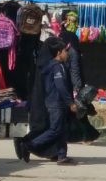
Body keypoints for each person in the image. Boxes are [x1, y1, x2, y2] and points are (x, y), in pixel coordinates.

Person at [15, 37, 76, 165]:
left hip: (53, 102)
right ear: (59, 53)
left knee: (61, 130)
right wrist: (70, 102)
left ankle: (61, 155)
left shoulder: (50, 65)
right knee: (55, 130)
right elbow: (60, 86)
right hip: (57, 102)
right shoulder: (57, 67)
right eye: (65, 51)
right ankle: (29, 145)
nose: (67, 53)